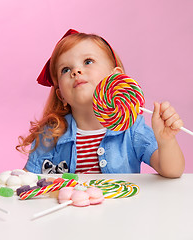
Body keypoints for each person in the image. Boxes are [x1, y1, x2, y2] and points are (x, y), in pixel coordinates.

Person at [16, 29, 185, 178]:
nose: (76, 71)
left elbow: (171, 171)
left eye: (88, 61)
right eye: (65, 70)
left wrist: (166, 141)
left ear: (115, 77)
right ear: (61, 96)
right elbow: (28, 179)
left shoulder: (132, 129)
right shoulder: (50, 134)